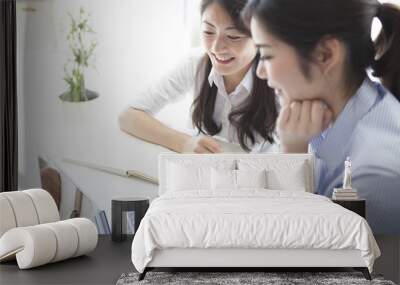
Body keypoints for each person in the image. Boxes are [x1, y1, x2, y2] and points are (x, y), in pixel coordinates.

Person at [243, 0, 400, 233]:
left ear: (325, 54)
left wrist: (291, 155)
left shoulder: (372, 178)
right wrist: (293, 146)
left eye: (266, 55)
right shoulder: (323, 120)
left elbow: (299, 253)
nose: (260, 71)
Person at [119, 0, 278, 154]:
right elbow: (128, 116)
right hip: (199, 174)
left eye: (233, 36)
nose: (216, 47)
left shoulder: (280, 78)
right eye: (208, 31)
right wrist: (185, 143)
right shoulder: (196, 63)